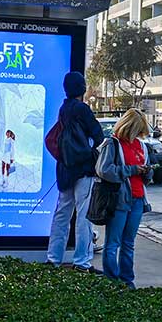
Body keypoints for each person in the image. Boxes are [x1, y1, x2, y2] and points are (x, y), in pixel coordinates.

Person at [46, 71, 104, 270]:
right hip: (84, 168)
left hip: (64, 168)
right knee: (83, 215)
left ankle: (54, 258)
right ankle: (82, 261)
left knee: (62, 212)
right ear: (83, 88)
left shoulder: (64, 109)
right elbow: (99, 136)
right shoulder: (83, 109)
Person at [95, 108, 154, 288]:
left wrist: (147, 172)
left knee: (129, 243)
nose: (139, 135)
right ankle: (112, 280)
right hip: (119, 199)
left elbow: (146, 170)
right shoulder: (112, 144)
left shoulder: (141, 146)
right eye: (137, 130)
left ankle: (127, 280)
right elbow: (104, 170)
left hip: (137, 198)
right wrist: (131, 170)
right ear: (130, 127)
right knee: (113, 243)